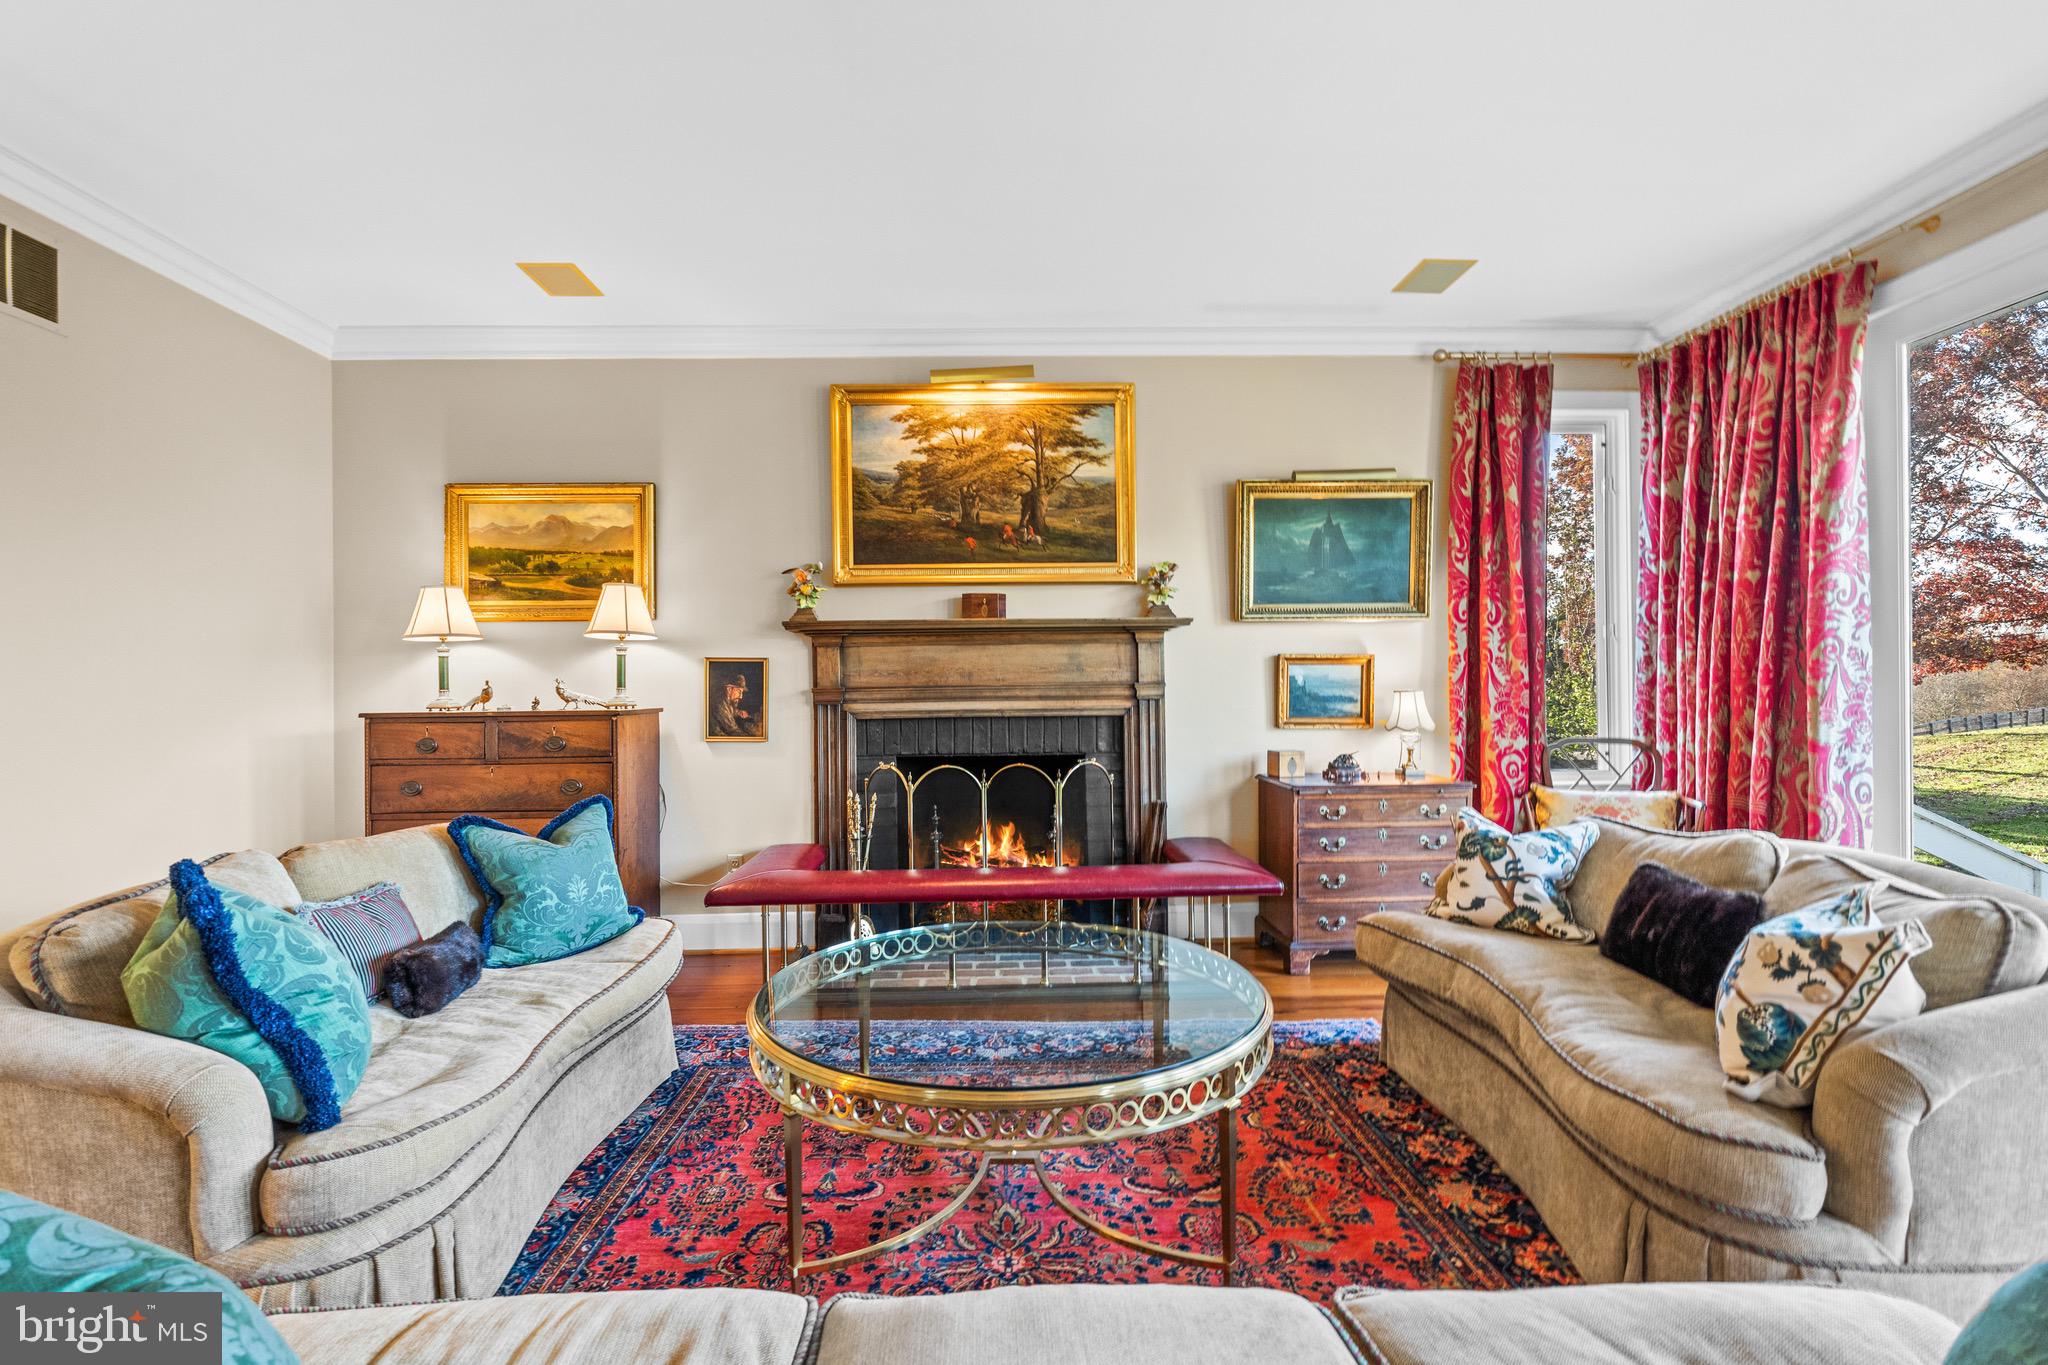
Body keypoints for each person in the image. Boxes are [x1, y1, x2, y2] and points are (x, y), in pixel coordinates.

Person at [709, 671, 761, 737]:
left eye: (742, 692)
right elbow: (733, 730)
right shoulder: (720, 704)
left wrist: (738, 712)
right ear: (729, 689)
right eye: (739, 691)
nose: (741, 696)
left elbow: (730, 710)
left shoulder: (726, 700)